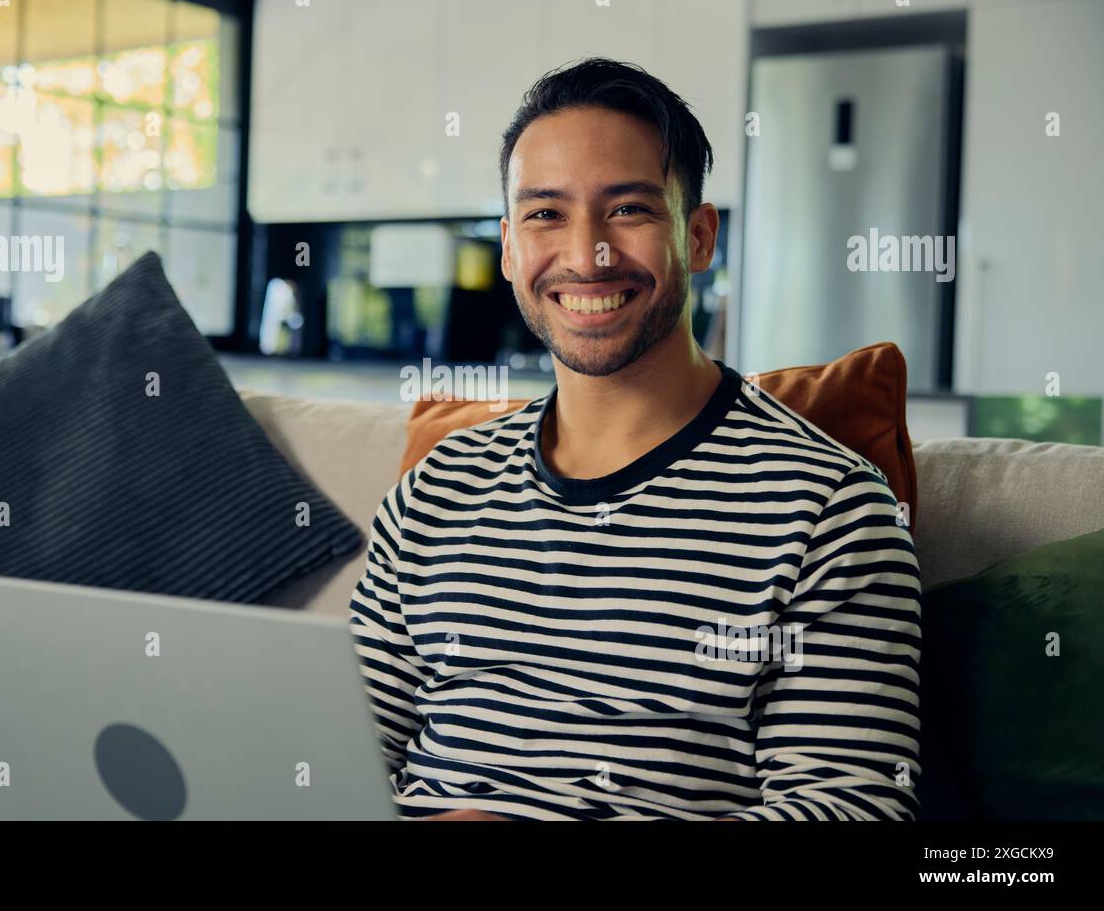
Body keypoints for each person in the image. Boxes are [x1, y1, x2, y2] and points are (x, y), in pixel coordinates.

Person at [349, 58, 921, 820]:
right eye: (546, 214)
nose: (588, 255)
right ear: (510, 248)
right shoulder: (433, 490)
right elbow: (330, 759)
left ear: (700, 234)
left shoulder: (828, 510)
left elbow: (854, 808)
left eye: (628, 210)